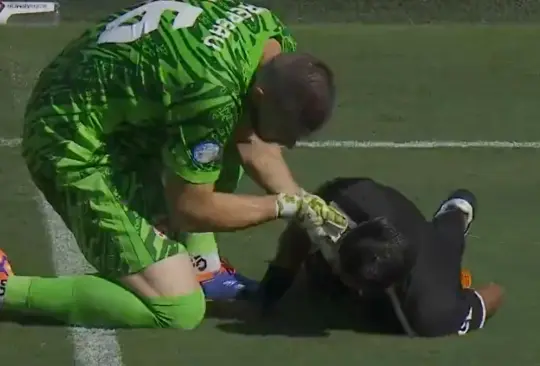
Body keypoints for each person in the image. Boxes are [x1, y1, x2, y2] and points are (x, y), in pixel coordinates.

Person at [0, 0, 348, 329]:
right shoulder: (211, 92)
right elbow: (190, 209)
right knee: (177, 307)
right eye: (288, 132)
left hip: (109, 105)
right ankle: (7, 288)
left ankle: (205, 268)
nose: (288, 144)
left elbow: (250, 140)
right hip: (66, 137)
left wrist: (306, 206)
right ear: (262, 95)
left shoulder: (271, 39)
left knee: (230, 127)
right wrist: (283, 205)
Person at [256, 178, 504, 337]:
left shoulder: (432, 312)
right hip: (389, 208)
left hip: (431, 262)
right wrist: (271, 287)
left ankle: (456, 211)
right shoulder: (346, 200)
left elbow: (493, 295)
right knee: (316, 280)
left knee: (449, 234)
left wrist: (460, 298)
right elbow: (300, 229)